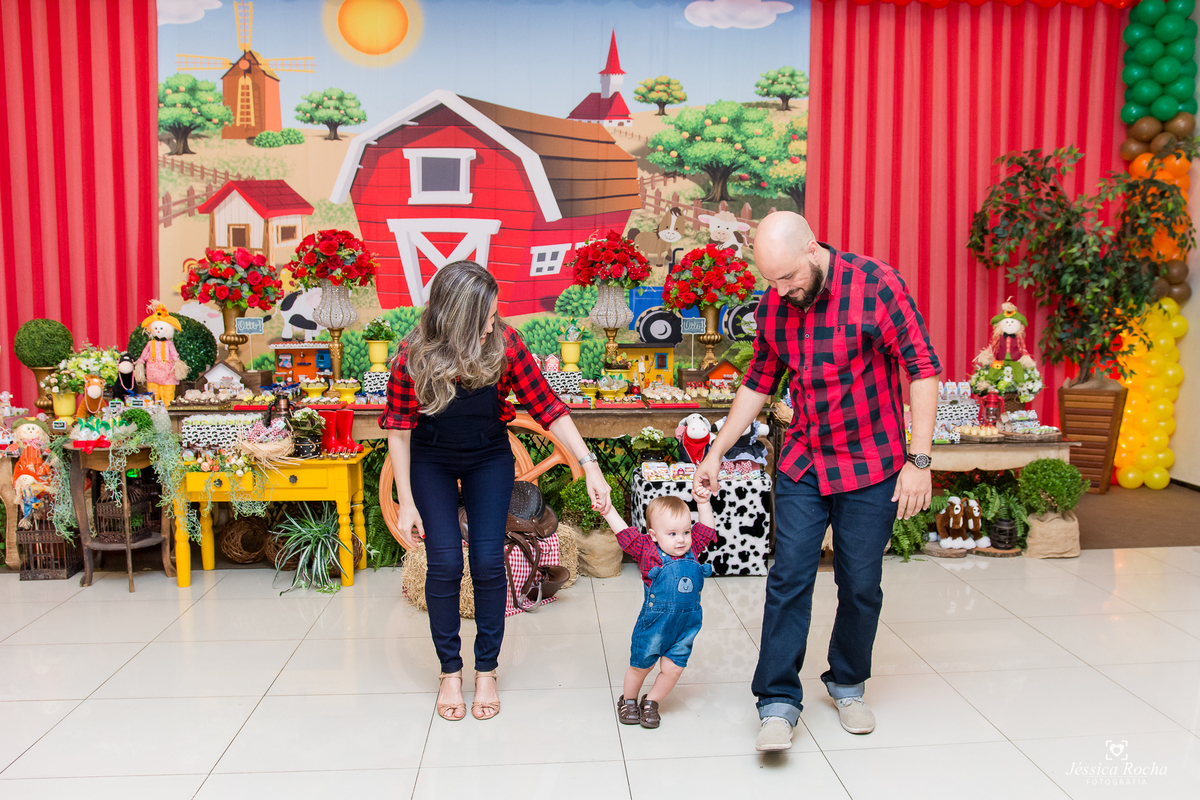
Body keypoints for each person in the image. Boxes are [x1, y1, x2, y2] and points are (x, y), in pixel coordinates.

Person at [693, 211, 941, 752]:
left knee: (858, 582)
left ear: (811, 247)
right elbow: (758, 382)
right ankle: (777, 702)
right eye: (771, 282)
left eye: (788, 278)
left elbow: (922, 368)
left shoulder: (876, 285)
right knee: (788, 579)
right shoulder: (775, 305)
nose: (782, 291)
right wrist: (715, 451)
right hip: (804, 461)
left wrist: (918, 461)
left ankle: (847, 683)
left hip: (873, 463)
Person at [381, 260, 612, 722]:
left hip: (489, 455)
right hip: (431, 459)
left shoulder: (506, 344)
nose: (494, 321)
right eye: (486, 315)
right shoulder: (413, 353)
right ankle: (450, 671)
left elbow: (547, 407)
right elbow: (400, 430)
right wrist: (405, 500)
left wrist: (589, 464)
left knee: (487, 560)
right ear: (457, 319)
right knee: (445, 562)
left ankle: (486, 668)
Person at [602, 490, 717, 729]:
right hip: (653, 625)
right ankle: (629, 700)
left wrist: (703, 502)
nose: (682, 540)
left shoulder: (693, 546)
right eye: (672, 534)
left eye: (686, 531)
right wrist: (608, 510)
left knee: (673, 669)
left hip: (686, 627)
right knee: (641, 665)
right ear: (653, 535)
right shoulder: (647, 549)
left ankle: (651, 701)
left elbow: (707, 527)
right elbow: (624, 534)